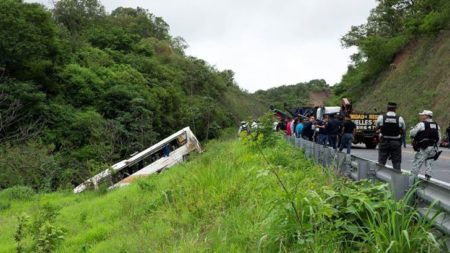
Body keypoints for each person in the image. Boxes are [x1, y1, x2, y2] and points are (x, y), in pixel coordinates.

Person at [410, 110, 441, 181]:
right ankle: (428, 180)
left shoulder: (421, 124)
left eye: (422, 115)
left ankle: (410, 184)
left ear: (426, 116)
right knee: (429, 165)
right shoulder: (436, 125)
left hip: (424, 148)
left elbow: (412, 134)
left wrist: (411, 131)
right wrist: (436, 148)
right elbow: (439, 139)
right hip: (433, 148)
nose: (421, 116)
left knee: (416, 166)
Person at [376, 102, 406, 171]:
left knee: (381, 161)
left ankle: (380, 176)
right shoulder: (400, 118)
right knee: (396, 162)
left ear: (387, 109)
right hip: (395, 142)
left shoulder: (381, 117)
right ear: (395, 109)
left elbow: (377, 127)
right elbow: (403, 129)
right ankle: (397, 178)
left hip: (384, 141)